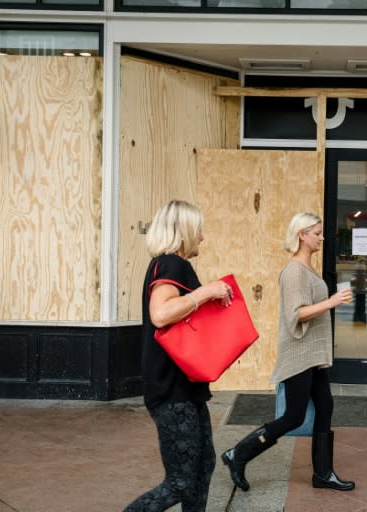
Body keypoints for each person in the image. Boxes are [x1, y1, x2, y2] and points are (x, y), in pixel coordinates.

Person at [221, 212, 355, 493]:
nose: (321, 237)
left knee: (325, 407)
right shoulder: (294, 271)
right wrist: (331, 302)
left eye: (320, 232)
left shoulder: (307, 268)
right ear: (301, 235)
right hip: (299, 355)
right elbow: (297, 314)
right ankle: (238, 454)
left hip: (313, 355)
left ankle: (323, 474)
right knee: (293, 416)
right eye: (316, 232)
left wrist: (331, 301)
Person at [124, 199, 234, 512]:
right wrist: (206, 292)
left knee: (203, 467)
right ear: (184, 231)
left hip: (184, 388)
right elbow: (160, 314)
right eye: (198, 230)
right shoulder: (172, 264)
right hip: (172, 391)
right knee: (181, 480)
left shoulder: (168, 264)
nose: (202, 237)